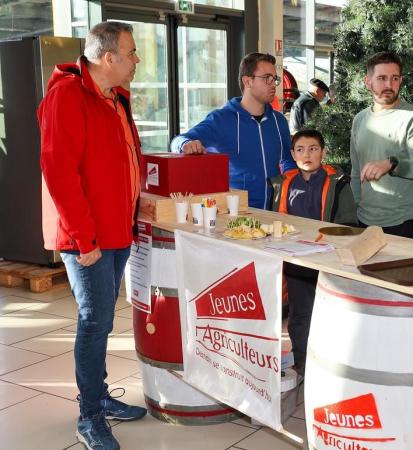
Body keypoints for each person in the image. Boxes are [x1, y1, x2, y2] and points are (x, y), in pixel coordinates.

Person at [38, 21, 147, 450]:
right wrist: (84, 239)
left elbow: (125, 157)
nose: (137, 60)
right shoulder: (66, 96)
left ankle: (100, 396)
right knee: (94, 320)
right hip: (86, 236)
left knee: (103, 318)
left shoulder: (116, 97)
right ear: (108, 59)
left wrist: (139, 204)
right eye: (132, 52)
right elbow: (60, 174)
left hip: (117, 228)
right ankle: (89, 416)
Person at [269, 128, 357, 373]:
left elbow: (348, 226)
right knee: (300, 315)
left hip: (327, 263)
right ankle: (303, 364)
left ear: (323, 152)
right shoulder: (283, 185)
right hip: (297, 264)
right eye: (300, 149)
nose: (306, 154)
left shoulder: (339, 184)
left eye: (313, 149)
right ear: (292, 154)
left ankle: (332, 366)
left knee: (331, 314)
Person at [170, 52, 295, 209]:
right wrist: (186, 144)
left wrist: (289, 192)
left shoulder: (279, 121)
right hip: (235, 216)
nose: (273, 84)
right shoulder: (221, 119)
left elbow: (289, 161)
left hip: (275, 214)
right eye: (267, 78)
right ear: (248, 81)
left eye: (275, 79)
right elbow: (177, 141)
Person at [350, 51, 413, 240]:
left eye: (394, 78)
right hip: (365, 221)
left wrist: (392, 164)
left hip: (405, 222)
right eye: (381, 78)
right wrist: (357, 207)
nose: (389, 85)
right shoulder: (359, 120)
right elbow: (356, 171)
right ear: (368, 81)